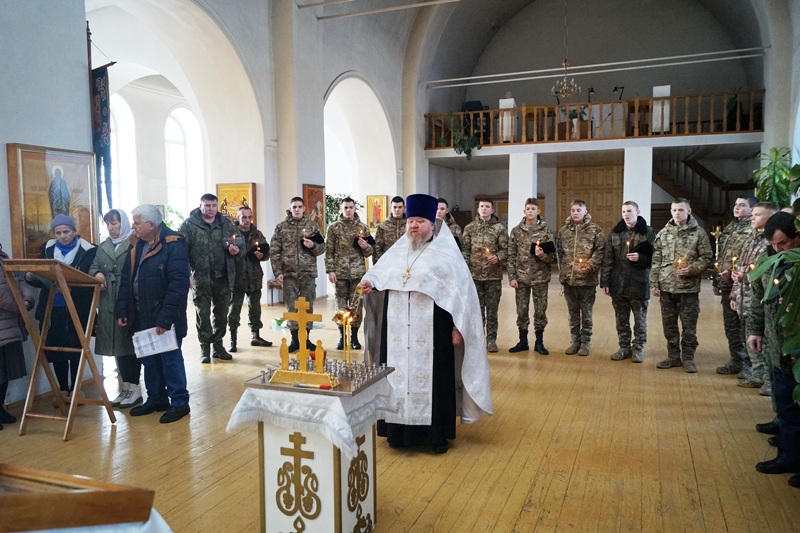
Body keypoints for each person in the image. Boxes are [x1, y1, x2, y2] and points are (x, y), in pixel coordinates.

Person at [359, 193, 492, 454]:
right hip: (397, 331)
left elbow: (461, 294)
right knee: (396, 376)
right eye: (411, 221)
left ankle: (435, 436)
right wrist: (369, 283)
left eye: (420, 221)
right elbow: (378, 273)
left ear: (433, 224)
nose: (413, 226)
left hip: (433, 333)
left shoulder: (447, 256)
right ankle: (397, 434)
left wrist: (457, 327)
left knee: (435, 381)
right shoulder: (398, 251)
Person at [117, 204, 191, 424]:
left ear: (151, 224)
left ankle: (179, 402)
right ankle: (156, 398)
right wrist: (123, 309)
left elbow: (178, 285)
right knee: (149, 359)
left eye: (137, 223)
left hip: (164, 315)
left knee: (170, 360)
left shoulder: (173, 245)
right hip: (141, 313)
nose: (133, 227)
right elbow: (126, 279)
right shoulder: (137, 245)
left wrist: (165, 318)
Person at [747, 211, 800, 487]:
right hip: (778, 347)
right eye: (773, 245)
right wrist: (755, 330)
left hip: (797, 347)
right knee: (786, 402)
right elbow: (759, 297)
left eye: (783, 244)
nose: (778, 250)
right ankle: (789, 456)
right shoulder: (771, 259)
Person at [26, 214, 97, 396]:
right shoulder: (48, 249)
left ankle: (75, 388)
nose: (62, 236)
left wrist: (72, 288)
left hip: (76, 307)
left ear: (74, 231)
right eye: (58, 233)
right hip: (52, 307)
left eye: (66, 232)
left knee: (75, 349)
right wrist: (32, 278)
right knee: (55, 349)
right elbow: (44, 277)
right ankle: (63, 389)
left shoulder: (88, 250)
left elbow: (90, 280)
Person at [650, 198, 713, 373]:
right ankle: (673, 356)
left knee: (689, 326)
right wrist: (654, 282)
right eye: (674, 210)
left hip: (688, 288)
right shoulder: (663, 233)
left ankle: (688, 357)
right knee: (669, 325)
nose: (677, 213)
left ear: (689, 211)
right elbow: (656, 259)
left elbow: (706, 257)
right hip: (666, 287)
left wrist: (692, 269)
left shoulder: (699, 233)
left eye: (680, 210)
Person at [179, 193, 242, 363]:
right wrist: (187, 275)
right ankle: (205, 347)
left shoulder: (225, 223)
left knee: (221, 313)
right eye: (207, 206)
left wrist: (234, 248)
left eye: (214, 206)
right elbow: (180, 252)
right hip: (200, 277)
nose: (211, 209)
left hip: (222, 276)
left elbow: (239, 240)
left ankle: (218, 345)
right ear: (200, 206)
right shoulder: (189, 225)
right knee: (203, 313)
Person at [88, 210, 141, 409]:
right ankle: (125, 387)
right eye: (108, 225)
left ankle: (134, 387)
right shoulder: (104, 246)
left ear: (124, 224)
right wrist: (98, 274)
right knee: (116, 345)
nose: (111, 228)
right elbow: (93, 266)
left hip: (126, 298)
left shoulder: (134, 243)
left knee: (128, 345)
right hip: (107, 300)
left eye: (115, 224)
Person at [600, 201, 656, 363]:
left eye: (629, 211)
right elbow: (608, 259)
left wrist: (641, 258)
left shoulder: (648, 233)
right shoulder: (616, 233)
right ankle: (624, 347)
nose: (626, 214)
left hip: (639, 282)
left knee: (640, 319)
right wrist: (605, 281)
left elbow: (656, 257)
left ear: (637, 212)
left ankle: (638, 348)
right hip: (618, 282)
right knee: (621, 319)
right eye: (623, 211)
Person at [731, 202, 778, 392]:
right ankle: (757, 374)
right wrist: (734, 293)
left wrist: (747, 277)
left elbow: (766, 274)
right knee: (749, 338)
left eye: (757, 215)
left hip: (760, 299)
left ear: (770, 218)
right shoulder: (752, 239)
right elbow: (742, 266)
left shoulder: (771, 242)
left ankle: (768, 381)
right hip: (745, 297)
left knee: (764, 342)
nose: (752, 217)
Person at [270, 197, 326, 353]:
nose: (297, 209)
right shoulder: (281, 228)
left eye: (300, 207)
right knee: (292, 306)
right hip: (289, 274)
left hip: (307, 273)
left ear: (303, 208)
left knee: (307, 305)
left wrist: (313, 245)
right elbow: (274, 251)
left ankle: (306, 339)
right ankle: (295, 340)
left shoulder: (312, 226)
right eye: (294, 207)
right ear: (290, 208)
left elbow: (322, 248)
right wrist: (278, 272)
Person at [713, 195, 756, 377]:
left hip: (743, 284)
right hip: (727, 283)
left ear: (752, 209)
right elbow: (722, 255)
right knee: (730, 325)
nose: (737, 208)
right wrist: (718, 280)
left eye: (742, 205)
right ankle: (736, 360)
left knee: (744, 325)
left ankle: (750, 365)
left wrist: (737, 274)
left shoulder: (752, 229)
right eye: (736, 204)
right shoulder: (731, 227)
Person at [556, 199, 605, 356]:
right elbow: (559, 254)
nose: (575, 213)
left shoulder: (595, 231)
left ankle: (585, 342)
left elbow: (600, 251)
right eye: (573, 210)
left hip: (587, 280)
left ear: (585, 211)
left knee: (587, 312)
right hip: (569, 280)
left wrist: (590, 265)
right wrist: (563, 272)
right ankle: (575, 341)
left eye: (579, 210)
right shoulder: (563, 231)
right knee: (573, 313)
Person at [507, 198, 555, 354]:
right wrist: (512, 277)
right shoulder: (516, 231)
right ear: (524, 211)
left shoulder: (546, 230)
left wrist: (542, 256)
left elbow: (552, 257)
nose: (530, 211)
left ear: (538, 211)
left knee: (540, 310)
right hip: (521, 277)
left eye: (533, 209)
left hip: (540, 277)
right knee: (521, 310)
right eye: (528, 208)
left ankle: (539, 342)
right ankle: (523, 341)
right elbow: (511, 255)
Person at [325, 197, 373, 350]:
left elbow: (370, 252)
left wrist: (365, 246)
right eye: (345, 207)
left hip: (358, 273)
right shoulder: (333, 228)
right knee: (341, 305)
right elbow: (329, 251)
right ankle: (342, 336)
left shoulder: (363, 228)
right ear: (341, 209)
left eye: (351, 207)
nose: (348, 210)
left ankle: (354, 337)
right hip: (339, 274)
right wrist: (330, 270)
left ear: (354, 209)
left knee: (356, 306)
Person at [462, 200, 508, 352]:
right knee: (476, 311)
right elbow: (465, 251)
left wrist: (498, 257)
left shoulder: (499, 229)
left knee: (492, 310)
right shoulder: (470, 228)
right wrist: (466, 271)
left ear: (492, 210)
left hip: (492, 276)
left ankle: (491, 340)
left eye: (487, 207)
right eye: (481, 206)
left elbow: (506, 249)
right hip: (474, 276)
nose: (484, 209)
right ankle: (477, 340)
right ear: (478, 209)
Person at [0, 242, 35, 429]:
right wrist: (19, 307)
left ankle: (1, 408)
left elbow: (20, 281)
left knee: (5, 371)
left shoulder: (4, 257)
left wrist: (27, 299)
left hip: (10, 324)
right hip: (5, 318)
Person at [227, 206, 272, 352]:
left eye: (249, 217)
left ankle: (256, 336)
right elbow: (223, 253)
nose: (247, 220)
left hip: (254, 276)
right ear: (237, 217)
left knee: (255, 308)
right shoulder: (230, 233)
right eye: (243, 217)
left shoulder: (257, 233)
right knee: (234, 309)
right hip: (237, 277)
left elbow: (266, 251)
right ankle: (233, 339)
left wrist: (262, 255)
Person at [373, 196, 406, 263]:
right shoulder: (383, 226)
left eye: (400, 207)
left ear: (404, 208)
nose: (397, 210)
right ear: (390, 208)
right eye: (394, 207)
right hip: (387, 264)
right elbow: (377, 248)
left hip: (405, 263)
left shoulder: (410, 225)